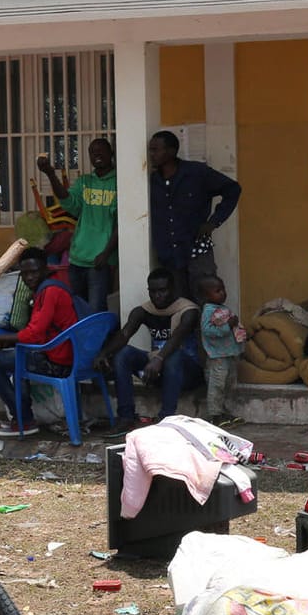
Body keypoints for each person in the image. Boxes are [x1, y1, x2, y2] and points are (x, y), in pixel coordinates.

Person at [0, 248, 82, 438]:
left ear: (45, 269)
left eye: (34, 272)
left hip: (57, 362)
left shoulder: (49, 291)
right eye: (25, 273)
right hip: (68, 355)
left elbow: (34, 335)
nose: (29, 277)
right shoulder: (55, 286)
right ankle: (23, 418)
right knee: (17, 358)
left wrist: (1, 339)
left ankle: (23, 419)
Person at [96, 268, 203, 432]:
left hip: (188, 373)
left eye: (162, 290)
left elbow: (177, 338)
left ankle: (165, 419)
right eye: (153, 291)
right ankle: (126, 416)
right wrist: (103, 354)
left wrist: (159, 359)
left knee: (173, 356)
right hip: (158, 371)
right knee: (123, 354)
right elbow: (124, 334)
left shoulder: (188, 311)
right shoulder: (143, 311)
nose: (157, 296)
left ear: (173, 289)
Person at [147, 129, 240, 295]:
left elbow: (233, 189)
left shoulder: (197, 173)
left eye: (155, 150)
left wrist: (214, 222)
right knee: (179, 305)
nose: (151, 154)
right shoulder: (152, 181)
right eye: (150, 150)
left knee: (206, 298)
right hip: (168, 254)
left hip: (196, 249)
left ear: (171, 151)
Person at [39, 138, 119, 315]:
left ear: (111, 153)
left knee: (96, 311)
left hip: (100, 261)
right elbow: (68, 202)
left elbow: (121, 225)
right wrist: (51, 174)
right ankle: (82, 343)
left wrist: (106, 254)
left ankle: (96, 343)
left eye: (101, 150)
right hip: (77, 259)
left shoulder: (119, 182)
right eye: (92, 151)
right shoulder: (85, 182)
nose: (97, 154)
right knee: (77, 310)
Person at [196, 273, 245, 426]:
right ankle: (215, 416)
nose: (222, 293)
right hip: (217, 357)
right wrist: (227, 326)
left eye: (223, 289)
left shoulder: (221, 308)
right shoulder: (208, 311)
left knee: (228, 385)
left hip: (229, 355)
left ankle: (225, 412)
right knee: (216, 386)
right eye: (217, 291)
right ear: (206, 295)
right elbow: (207, 331)